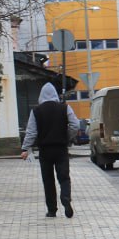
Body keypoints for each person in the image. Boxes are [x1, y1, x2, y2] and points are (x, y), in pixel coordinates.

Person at [20, 82, 78, 218]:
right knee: (64, 177)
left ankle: (52, 210)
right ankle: (65, 198)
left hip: (45, 151)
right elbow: (75, 125)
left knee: (48, 180)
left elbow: (31, 132)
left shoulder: (36, 111)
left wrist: (25, 148)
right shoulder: (64, 108)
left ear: (41, 96)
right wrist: (66, 137)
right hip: (61, 149)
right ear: (55, 95)